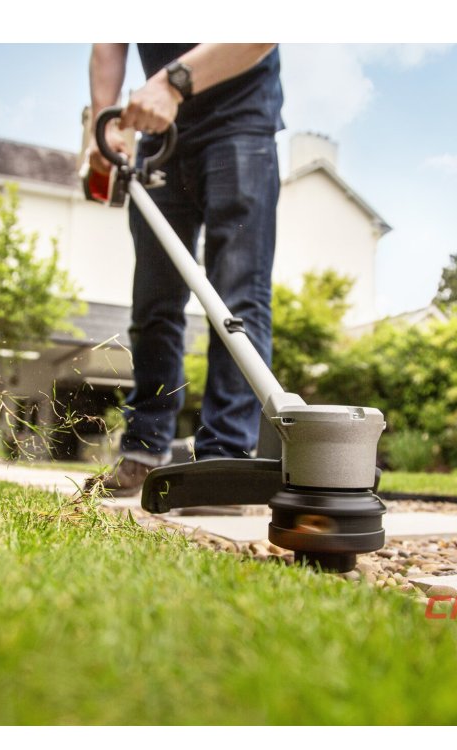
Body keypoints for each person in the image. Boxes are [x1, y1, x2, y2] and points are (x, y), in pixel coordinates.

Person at [85, 43, 284, 496]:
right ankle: (144, 448)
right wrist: (104, 123)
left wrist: (174, 82)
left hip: (240, 122)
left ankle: (226, 459)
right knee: (153, 302)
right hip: (161, 137)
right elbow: (109, 43)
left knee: (237, 298)